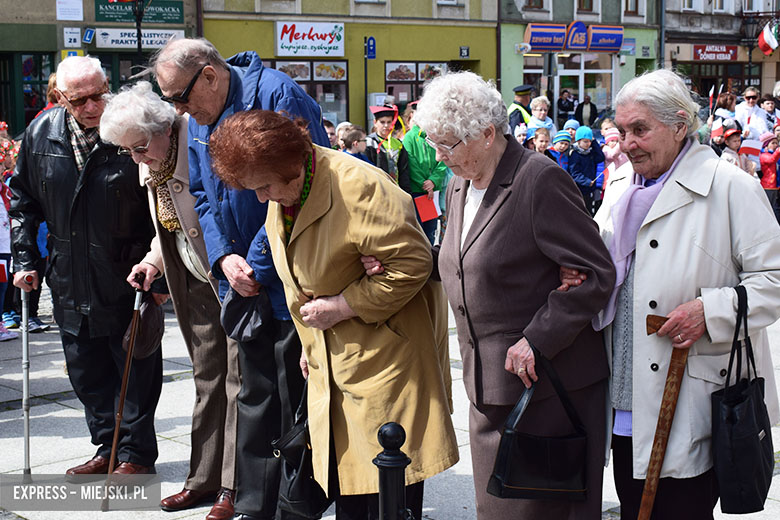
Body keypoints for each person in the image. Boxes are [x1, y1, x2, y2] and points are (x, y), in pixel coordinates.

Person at [208, 109, 459, 520]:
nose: (260, 197)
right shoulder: (288, 190)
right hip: (333, 361)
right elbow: (299, 279)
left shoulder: (359, 187)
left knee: (382, 492)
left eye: (264, 186)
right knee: (349, 491)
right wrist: (310, 345)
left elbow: (413, 263)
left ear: (289, 165)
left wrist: (343, 305)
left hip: (385, 362)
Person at [414, 71, 616, 519]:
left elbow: (596, 272)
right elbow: (465, 260)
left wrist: (537, 339)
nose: (438, 155)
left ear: (488, 134)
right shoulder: (460, 181)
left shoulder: (538, 180)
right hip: (487, 386)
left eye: (447, 144)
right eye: (433, 143)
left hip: (544, 388)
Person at [582, 68, 780, 519]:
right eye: (622, 130)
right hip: (626, 397)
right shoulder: (618, 191)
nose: (628, 143)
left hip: (689, 398)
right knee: (635, 509)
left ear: (679, 126)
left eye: (641, 130)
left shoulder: (730, 187)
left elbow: (774, 279)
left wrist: (709, 311)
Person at [152, 37, 330, 520]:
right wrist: (224, 257)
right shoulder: (197, 116)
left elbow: (304, 186)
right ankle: (255, 505)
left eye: (181, 97)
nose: (179, 109)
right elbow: (201, 197)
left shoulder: (278, 96)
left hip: (288, 280)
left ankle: (297, 505)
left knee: (295, 400)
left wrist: (255, 260)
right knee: (254, 400)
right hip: (241, 280)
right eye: (170, 101)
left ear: (209, 75)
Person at [10, 55, 160, 475]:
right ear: (60, 97)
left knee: (134, 366)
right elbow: (22, 199)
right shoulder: (41, 133)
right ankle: (105, 447)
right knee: (85, 369)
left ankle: (134, 455)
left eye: (99, 94)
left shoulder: (129, 129)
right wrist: (26, 259)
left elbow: (159, 205)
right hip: (69, 274)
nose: (92, 107)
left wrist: (161, 270)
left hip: (126, 272)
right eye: (80, 100)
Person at [99, 81, 241, 520]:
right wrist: (153, 263)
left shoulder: (199, 144)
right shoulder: (151, 161)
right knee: (207, 380)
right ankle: (203, 479)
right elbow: (172, 225)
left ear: (165, 128)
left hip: (229, 277)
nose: (137, 159)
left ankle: (234, 487)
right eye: (129, 152)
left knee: (239, 385)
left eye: (140, 147)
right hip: (191, 279)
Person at [403, 120, 449, 245]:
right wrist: (425, 184)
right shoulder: (409, 137)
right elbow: (411, 164)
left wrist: (433, 181)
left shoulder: (435, 135)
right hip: (418, 192)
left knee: (430, 231)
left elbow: (442, 161)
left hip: (432, 193)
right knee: (419, 232)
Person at [365, 104, 411, 193]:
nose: (386, 125)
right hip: (377, 190)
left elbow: (403, 171)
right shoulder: (369, 143)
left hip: (396, 190)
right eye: (382, 122)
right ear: (375, 122)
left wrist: (407, 193)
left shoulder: (398, 144)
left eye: (389, 122)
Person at [568, 125, 606, 214]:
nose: (587, 144)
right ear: (578, 141)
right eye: (585, 141)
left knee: (589, 210)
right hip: (580, 189)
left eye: (589, 141)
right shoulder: (575, 155)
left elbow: (600, 157)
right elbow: (575, 173)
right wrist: (587, 181)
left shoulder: (591, 152)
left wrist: (594, 143)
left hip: (590, 189)